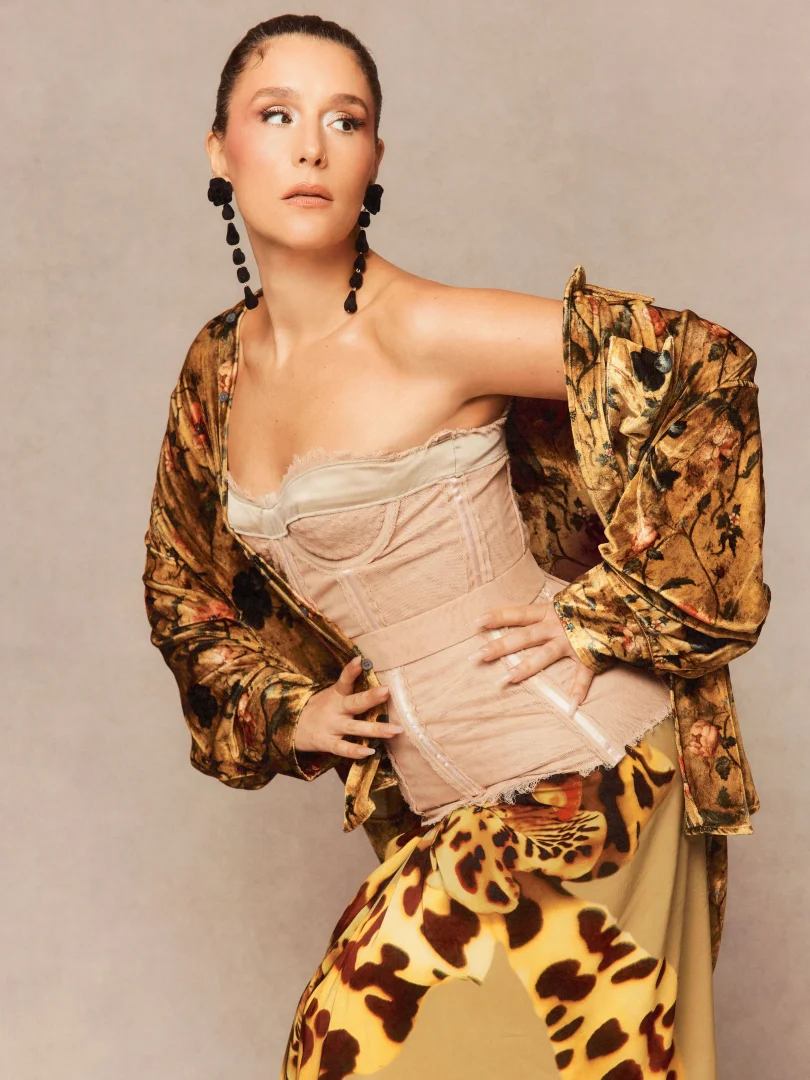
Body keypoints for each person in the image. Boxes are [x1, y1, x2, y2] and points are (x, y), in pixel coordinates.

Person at [142, 14, 770, 1079]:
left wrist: (607, 613)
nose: (312, 148)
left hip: (587, 779)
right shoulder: (218, 372)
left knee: (344, 1054)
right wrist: (293, 711)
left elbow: (702, 372)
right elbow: (182, 585)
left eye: (345, 121)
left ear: (374, 158)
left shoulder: (424, 328)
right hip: (444, 809)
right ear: (220, 150)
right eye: (277, 116)